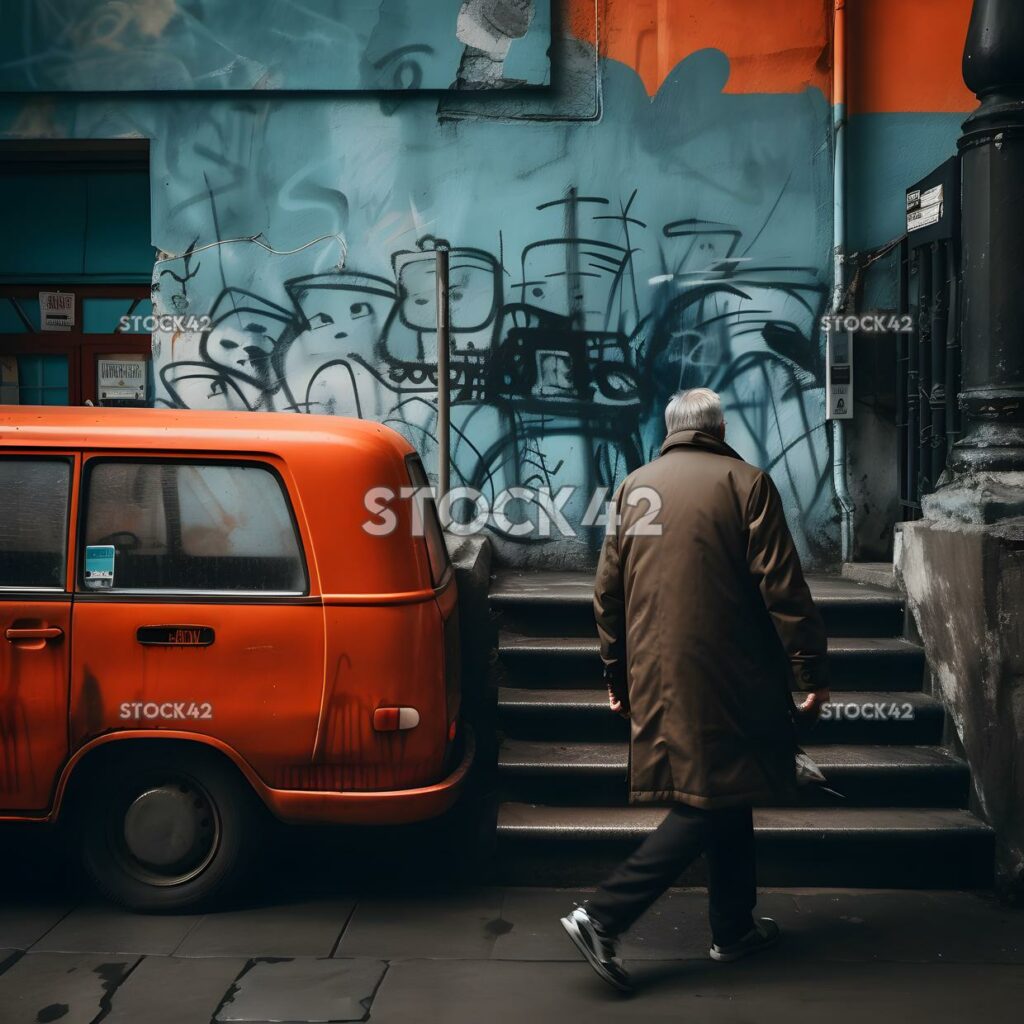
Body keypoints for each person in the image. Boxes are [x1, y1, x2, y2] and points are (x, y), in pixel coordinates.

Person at [560, 387, 830, 992]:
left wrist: (616, 672)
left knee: (723, 787)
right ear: (719, 427)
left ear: (670, 428)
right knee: (708, 796)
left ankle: (732, 927)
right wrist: (809, 671)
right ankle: (603, 915)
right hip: (730, 674)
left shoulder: (635, 487)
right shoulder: (747, 483)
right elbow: (782, 590)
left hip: (656, 671)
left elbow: (608, 593)